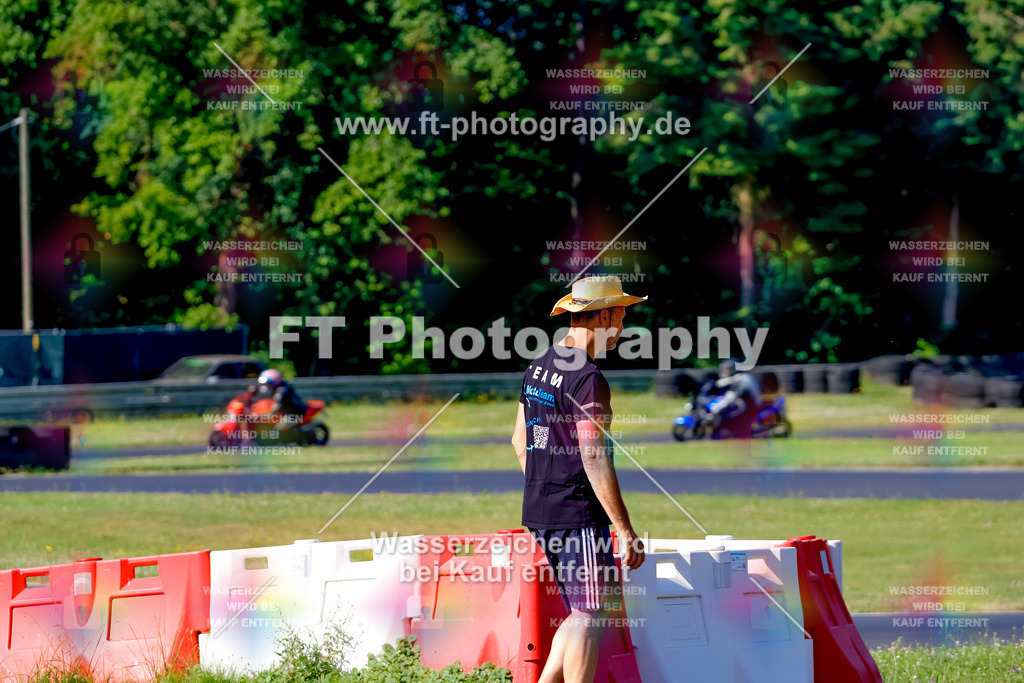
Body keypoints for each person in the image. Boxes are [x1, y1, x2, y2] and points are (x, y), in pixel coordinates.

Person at [510, 275, 646, 683]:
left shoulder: (539, 366)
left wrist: (546, 489)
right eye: (620, 316)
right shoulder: (587, 377)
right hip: (577, 517)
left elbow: (521, 439)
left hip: (540, 511)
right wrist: (624, 529)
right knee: (592, 611)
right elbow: (593, 454)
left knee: (580, 607)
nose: (623, 327)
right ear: (601, 315)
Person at [707, 358, 761, 437]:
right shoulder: (741, 377)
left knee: (730, 409)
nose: (724, 372)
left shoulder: (741, 379)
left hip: (750, 408)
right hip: (751, 405)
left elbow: (733, 395)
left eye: (726, 370)